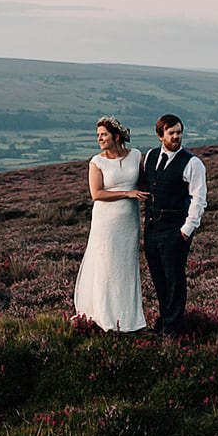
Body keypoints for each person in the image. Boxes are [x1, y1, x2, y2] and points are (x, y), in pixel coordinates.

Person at [73, 116, 148, 331]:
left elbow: (143, 183)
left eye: (103, 135)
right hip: (106, 222)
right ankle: (105, 318)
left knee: (126, 267)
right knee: (106, 266)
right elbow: (96, 194)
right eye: (98, 136)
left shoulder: (136, 156)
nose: (99, 139)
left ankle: (130, 320)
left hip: (129, 222)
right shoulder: (97, 162)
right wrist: (127, 193)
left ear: (116, 136)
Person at [141, 113, 206, 335]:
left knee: (174, 281)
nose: (177, 136)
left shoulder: (193, 163)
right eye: (172, 133)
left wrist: (186, 231)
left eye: (179, 132)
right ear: (160, 135)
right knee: (159, 280)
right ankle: (163, 323)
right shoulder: (149, 156)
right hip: (151, 230)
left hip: (175, 231)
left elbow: (199, 200)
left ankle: (172, 331)